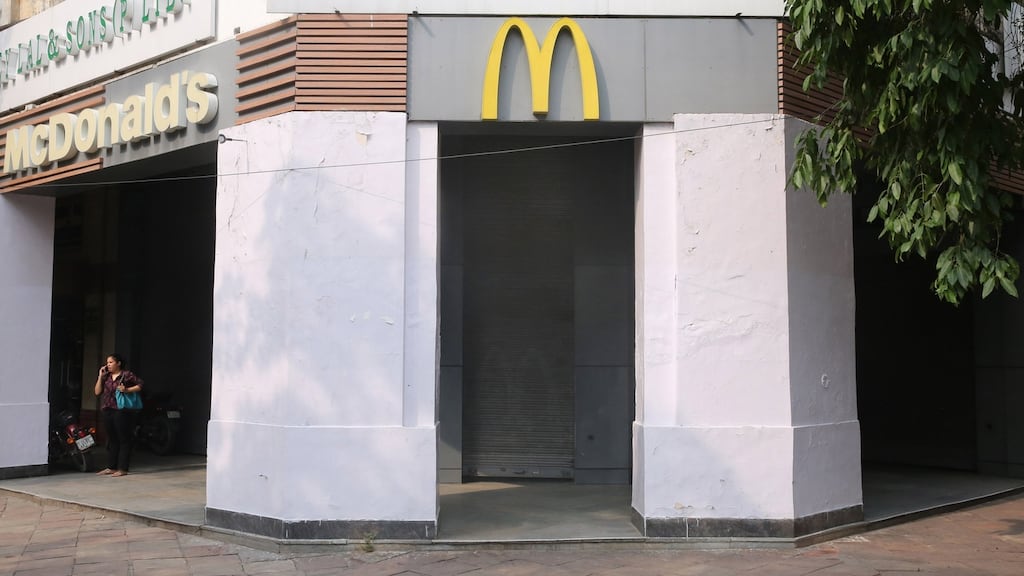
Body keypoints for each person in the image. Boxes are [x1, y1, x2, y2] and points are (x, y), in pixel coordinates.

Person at [93, 353, 143, 477]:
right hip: (107, 409)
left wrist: (127, 390)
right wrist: (100, 377)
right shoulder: (107, 377)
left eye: (111, 362)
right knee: (112, 439)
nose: (108, 365)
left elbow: (140, 385)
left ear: (118, 363)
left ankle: (123, 468)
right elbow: (97, 391)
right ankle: (111, 466)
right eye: (107, 362)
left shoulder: (126, 375)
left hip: (121, 410)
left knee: (124, 439)